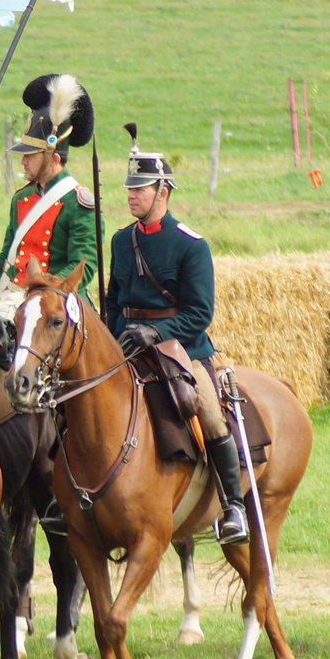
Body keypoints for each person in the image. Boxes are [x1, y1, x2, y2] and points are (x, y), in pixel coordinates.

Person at [107, 124, 247, 545]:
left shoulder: (191, 245)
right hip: (127, 345)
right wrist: (116, 336)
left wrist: (155, 331)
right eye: (129, 189)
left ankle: (233, 506)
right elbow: (113, 300)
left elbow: (199, 314)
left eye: (141, 189)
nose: (132, 195)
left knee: (205, 409)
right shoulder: (119, 240)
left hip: (181, 349)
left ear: (162, 192)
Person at [0, 74, 100, 299]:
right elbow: (6, 256)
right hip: (12, 296)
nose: (23, 161)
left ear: (53, 159)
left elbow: (82, 266)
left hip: (55, 301)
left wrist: (40, 293)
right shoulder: (21, 198)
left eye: (30, 156)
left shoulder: (79, 203)